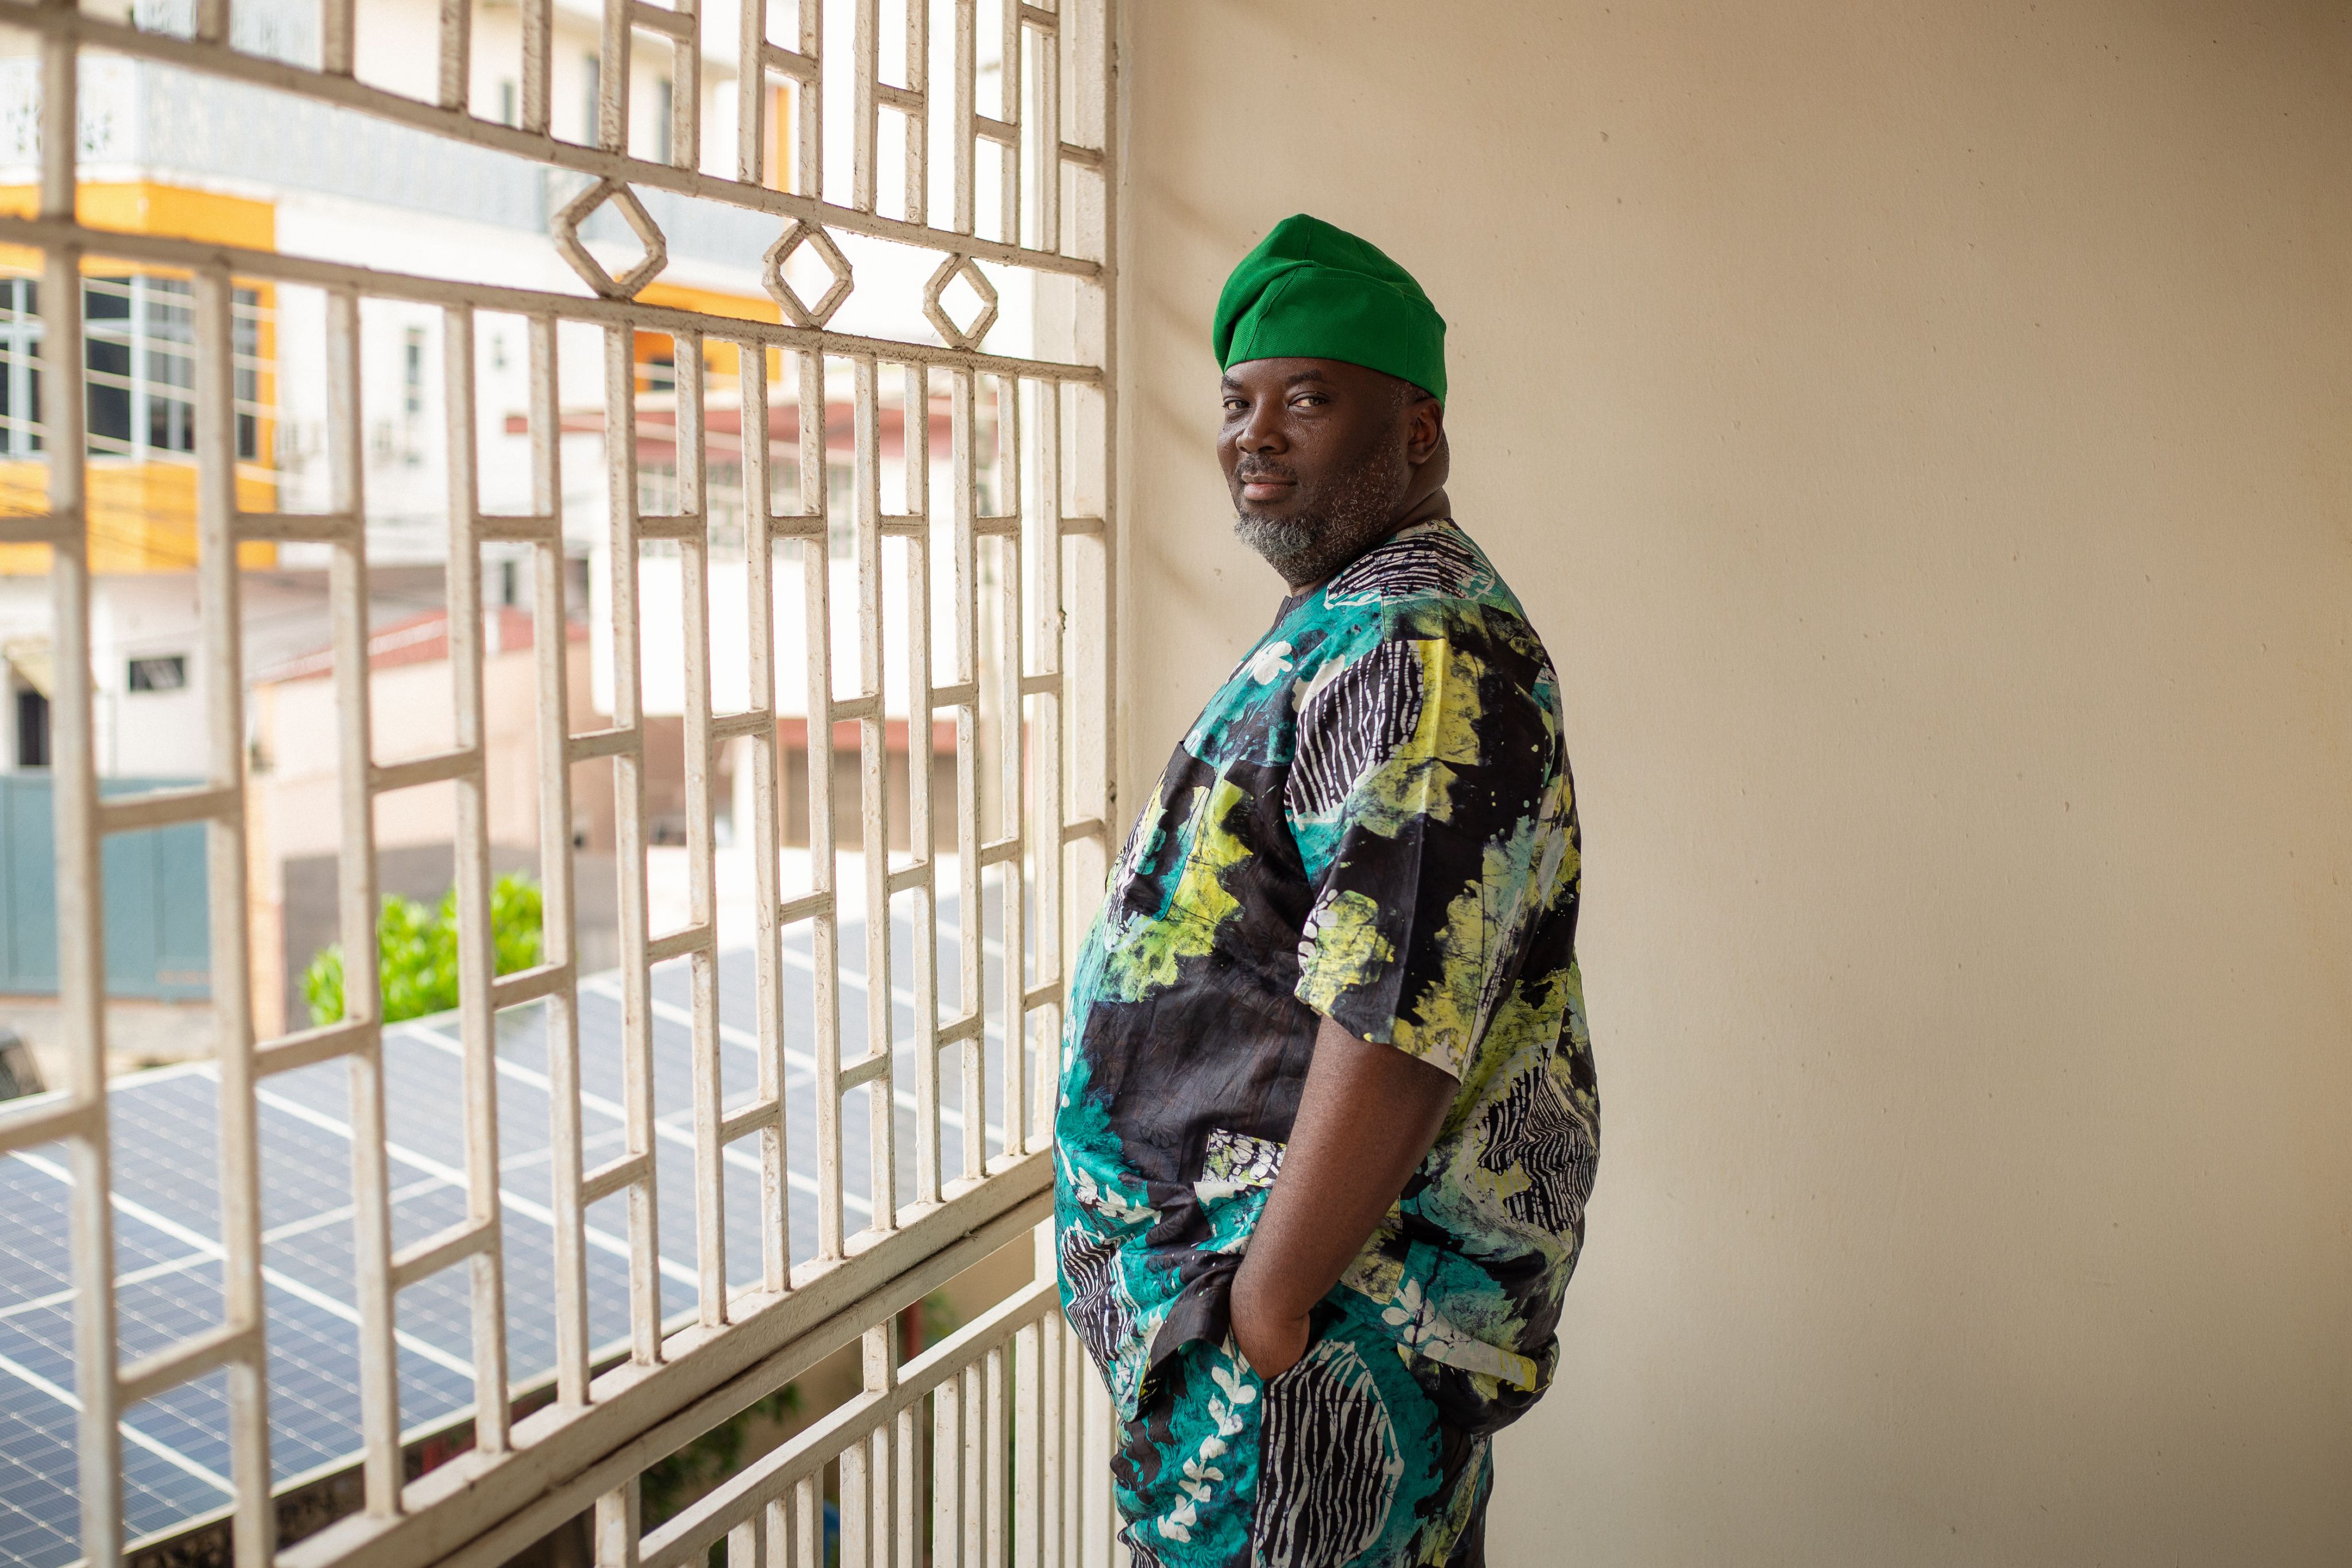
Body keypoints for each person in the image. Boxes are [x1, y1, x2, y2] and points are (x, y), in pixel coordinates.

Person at [1054, 212, 1599, 1567]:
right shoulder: (1359, 612)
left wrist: (1271, 1310)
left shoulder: (1417, 643)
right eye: (1237, 401)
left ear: (1415, 430)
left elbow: (1398, 1012)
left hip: (1309, 1356)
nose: (1255, 434)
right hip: (1286, 1339)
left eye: (1308, 398)